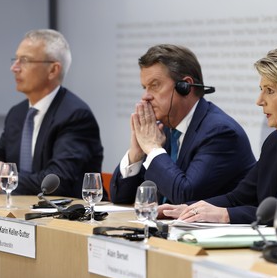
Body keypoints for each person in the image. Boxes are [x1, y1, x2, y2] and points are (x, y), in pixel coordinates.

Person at [164, 44, 277, 232]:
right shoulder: (275, 143)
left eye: (269, 90)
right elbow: (239, 197)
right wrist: (190, 209)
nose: (259, 100)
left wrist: (226, 215)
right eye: (261, 89)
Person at [109, 44, 255, 205]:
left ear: (184, 87)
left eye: (155, 85)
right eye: (145, 87)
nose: (145, 97)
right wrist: (136, 154)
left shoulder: (219, 132)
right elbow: (120, 197)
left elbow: (185, 195)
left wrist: (152, 148)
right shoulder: (162, 129)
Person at [0, 29, 103, 198]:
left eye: (24, 61)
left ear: (53, 70)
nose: (14, 68)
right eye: (15, 60)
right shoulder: (17, 114)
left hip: (66, 218)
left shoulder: (75, 116)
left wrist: (4, 179)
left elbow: (58, 181)